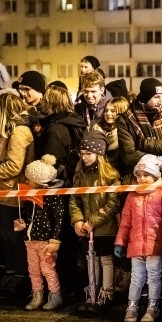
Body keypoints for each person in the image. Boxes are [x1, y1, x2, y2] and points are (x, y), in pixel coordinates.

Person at [114, 155, 162, 322]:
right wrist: (120, 241)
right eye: (139, 175)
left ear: (155, 176)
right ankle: (132, 307)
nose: (141, 178)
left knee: (154, 276)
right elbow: (125, 221)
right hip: (136, 244)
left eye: (146, 175)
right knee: (136, 277)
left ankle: (152, 307)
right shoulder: (132, 196)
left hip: (155, 245)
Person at [0, 93, 35, 298]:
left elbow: (14, 166)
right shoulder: (9, 131)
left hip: (10, 193)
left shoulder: (18, 132)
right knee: (6, 239)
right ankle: (12, 278)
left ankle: (20, 280)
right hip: (1, 192)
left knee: (13, 239)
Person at [69, 131, 121, 311]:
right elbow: (74, 200)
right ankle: (92, 292)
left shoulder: (110, 175)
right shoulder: (80, 175)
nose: (84, 157)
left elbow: (113, 203)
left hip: (105, 228)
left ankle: (106, 293)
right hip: (86, 228)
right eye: (82, 154)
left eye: (88, 153)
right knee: (91, 259)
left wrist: (92, 221)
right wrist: (77, 220)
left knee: (105, 260)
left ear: (99, 154)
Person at [16, 155, 65, 311]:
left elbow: (59, 219)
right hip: (30, 241)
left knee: (48, 269)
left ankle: (55, 295)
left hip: (45, 242)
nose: (26, 182)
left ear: (37, 182)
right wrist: (22, 225)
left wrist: (55, 240)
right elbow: (28, 217)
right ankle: (37, 295)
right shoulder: (29, 199)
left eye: (29, 179)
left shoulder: (52, 197)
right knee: (34, 270)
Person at [116, 77, 162, 182]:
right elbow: (129, 154)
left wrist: (145, 144)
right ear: (145, 97)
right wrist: (156, 160)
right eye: (156, 97)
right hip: (138, 179)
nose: (161, 101)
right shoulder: (126, 119)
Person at [89, 96, 129, 177]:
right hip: (98, 172)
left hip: (120, 172)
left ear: (122, 111)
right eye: (106, 110)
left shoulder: (126, 131)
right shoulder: (95, 127)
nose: (108, 113)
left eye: (113, 111)